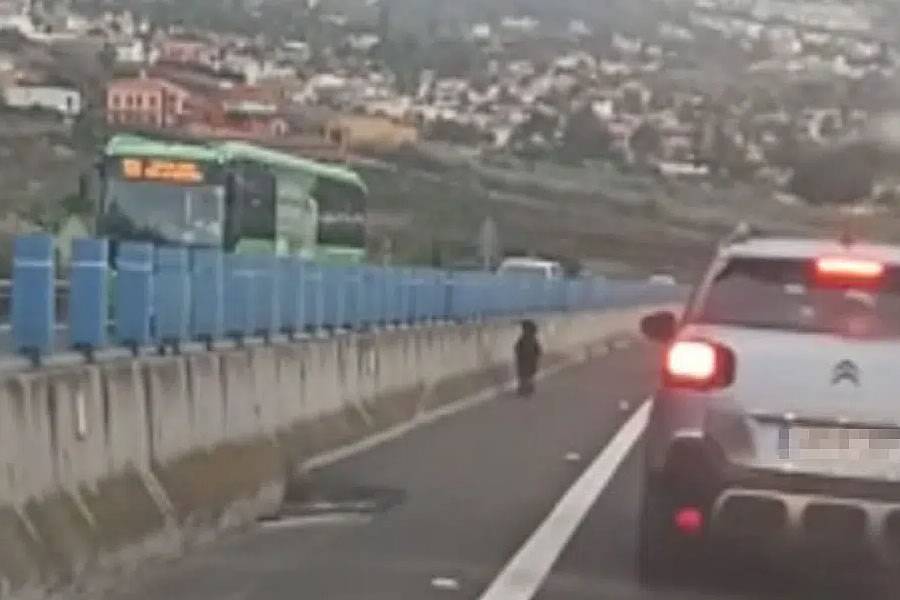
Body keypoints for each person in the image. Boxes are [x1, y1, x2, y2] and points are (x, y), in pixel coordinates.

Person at [515, 320, 542, 397]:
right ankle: (527, 389)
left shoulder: (524, 339)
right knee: (527, 375)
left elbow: (517, 349)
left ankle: (525, 389)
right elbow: (538, 350)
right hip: (528, 360)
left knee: (525, 375)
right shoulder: (531, 339)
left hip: (525, 360)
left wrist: (519, 355)